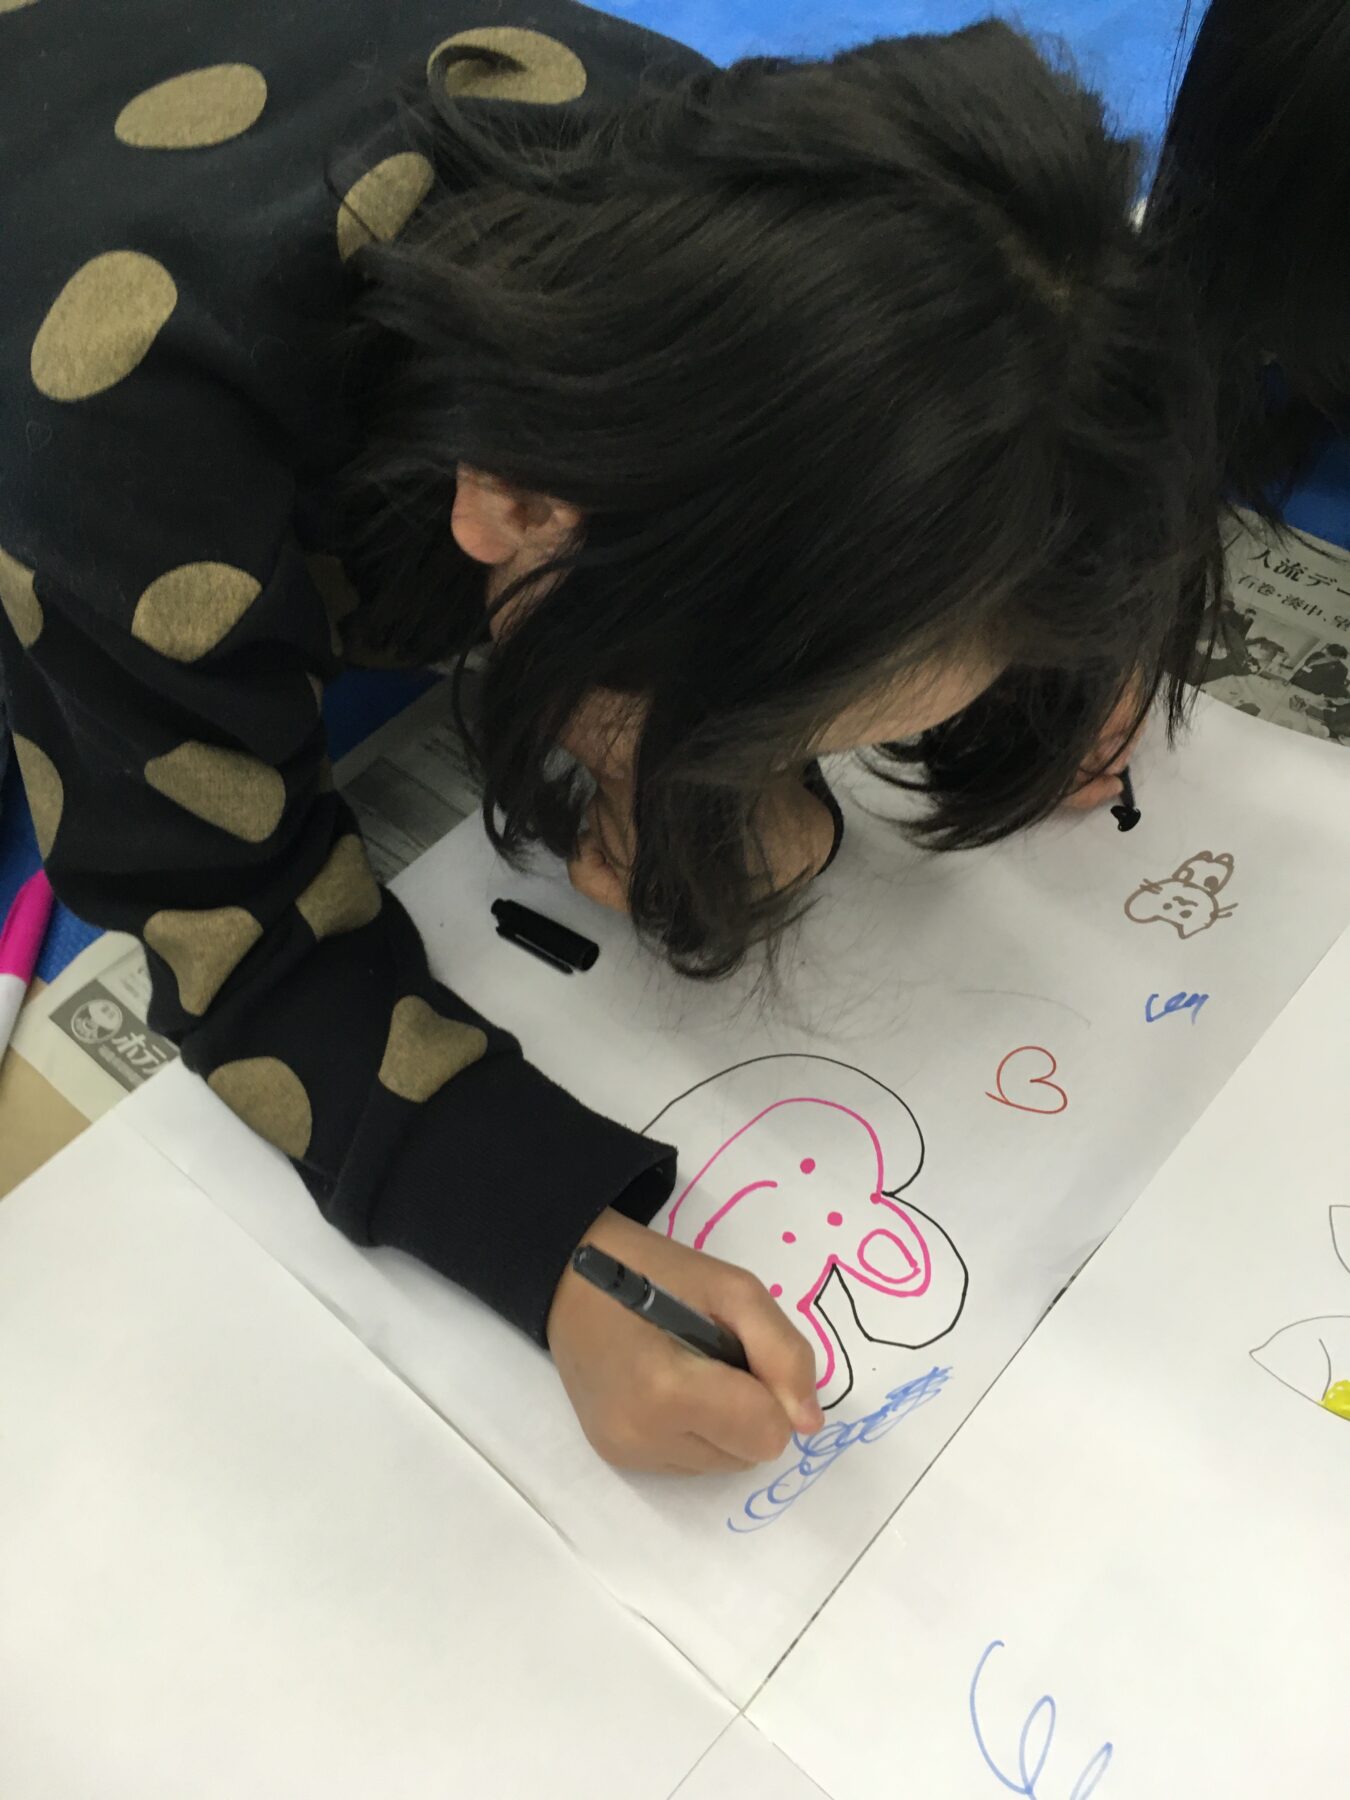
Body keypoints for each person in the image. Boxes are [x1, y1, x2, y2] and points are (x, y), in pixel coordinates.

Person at [0, 1, 1219, 1475]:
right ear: (520, 506)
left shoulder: (755, 213)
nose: (788, 781)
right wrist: (550, 1241)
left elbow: (965, 411)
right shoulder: (135, 451)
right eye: (767, 735)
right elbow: (233, 931)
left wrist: (1033, 650)